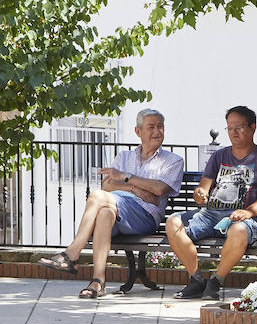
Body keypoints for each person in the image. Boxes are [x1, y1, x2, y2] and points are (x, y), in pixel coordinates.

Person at [37, 108, 186, 299]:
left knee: (97, 197)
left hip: (145, 216)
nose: (157, 131)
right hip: (117, 212)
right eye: (151, 127)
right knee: (104, 212)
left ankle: (72, 254)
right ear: (138, 131)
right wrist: (135, 189)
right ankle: (98, 281)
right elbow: (107, 184)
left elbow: (158, 189)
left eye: (160, 127)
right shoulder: (124, 157)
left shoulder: (173, 161)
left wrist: (125, 177)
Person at [166, 105, 257, 301]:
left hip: (247, 219)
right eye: (229, 127)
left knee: (238, 230)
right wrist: (200, 194)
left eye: (239, 127)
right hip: (210, 215)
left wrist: (248, 213)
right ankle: (196, 280)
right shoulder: (219, 156)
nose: (233, 132)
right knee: (173, 223)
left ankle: (215, 281)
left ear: (252, 127)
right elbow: (203, 187)